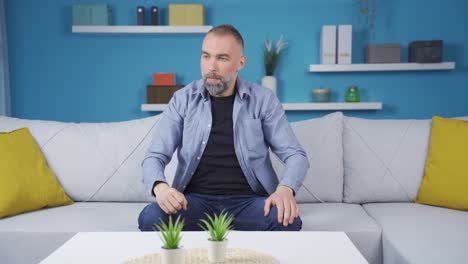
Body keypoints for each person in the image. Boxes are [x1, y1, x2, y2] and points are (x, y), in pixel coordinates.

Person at [138, 24, 309, 232]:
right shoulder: (182, 100)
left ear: (240, 63)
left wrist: (285, 189)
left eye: (222, 58)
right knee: (150, 218)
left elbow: (295, 155)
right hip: (192, 203)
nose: (211, 66)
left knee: (287, 221)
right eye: (206, 56)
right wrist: (161, 188)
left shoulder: (264, 100)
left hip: (249, 203)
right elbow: (154, 156)